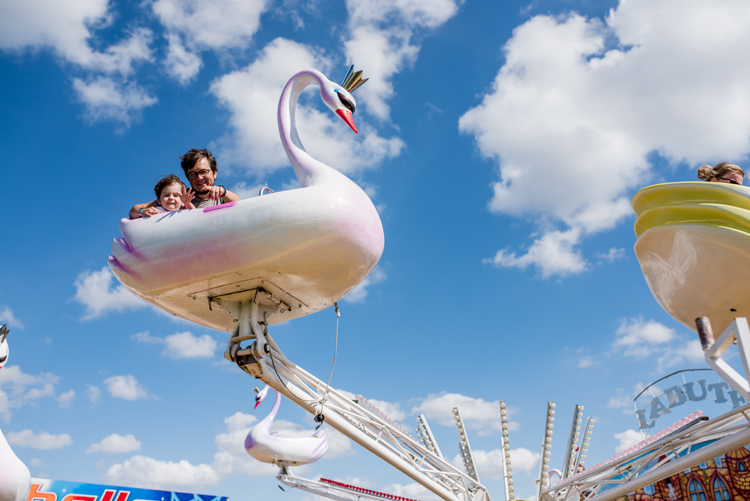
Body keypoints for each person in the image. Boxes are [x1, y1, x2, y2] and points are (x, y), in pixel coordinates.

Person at [129, 148, 240, 219]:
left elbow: (242, 207)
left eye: (203, 172)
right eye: (193, 174)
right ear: (188, 178)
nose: (199, 178)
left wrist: (223, 192)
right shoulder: (178, 197)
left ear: (214, 173)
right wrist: (142, 211)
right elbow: (134, 210)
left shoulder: (222, 197)